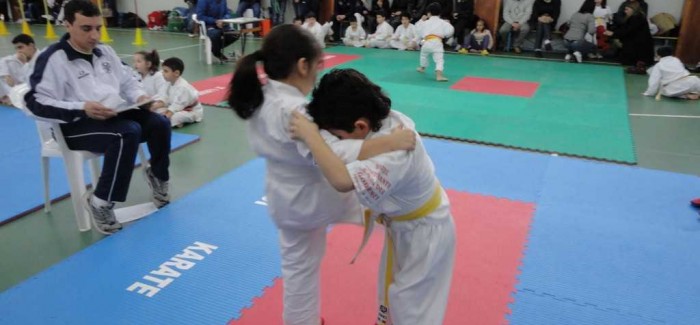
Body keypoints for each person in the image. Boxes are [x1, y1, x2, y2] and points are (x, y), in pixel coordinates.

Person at [226, 24, 416, 325]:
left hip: (283, 199)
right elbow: (334, 155)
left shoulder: (261, 95)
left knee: (299, 271)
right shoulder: (294, 110)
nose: (317, 74)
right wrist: (391, 142)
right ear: (303, 66)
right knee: (387, 195)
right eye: (318, 66)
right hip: (311, 199)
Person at [289, 68, 456, 325]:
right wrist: (316, 136)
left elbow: (342, 180)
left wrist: (311, 136)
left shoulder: (398, 151)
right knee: (391, 300)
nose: (334, 142)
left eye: (337, 137)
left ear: (360, 126)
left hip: (426, 235)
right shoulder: (372, 124)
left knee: (412, 310)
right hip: (402, 227)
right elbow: (313, 128)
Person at [24, 0, 172, 234]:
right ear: (68, 25)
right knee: (127, 132)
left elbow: (128, 81)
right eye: (86, 29)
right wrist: (82, 107)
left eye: (98, 28)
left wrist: (141, 97)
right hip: (74, 126)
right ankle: (100, 202)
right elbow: (35, 103)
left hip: (112, 115)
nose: (94, 36)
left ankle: (158, 175)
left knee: (160, 123)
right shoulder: (53, 58)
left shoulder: (106, 52)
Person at [150, 57, 204, 127]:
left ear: (176, 73)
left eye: (166, 71)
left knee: (175, 118)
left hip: (191, 111)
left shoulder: (183, 87)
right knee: (156, 111)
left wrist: (166, 117)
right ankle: (174, 122)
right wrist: (154, 107)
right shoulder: (168, 82)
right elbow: (164, 97)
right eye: (163, 70)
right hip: (174, 107)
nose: (162, 73)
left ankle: (178, 122)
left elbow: (177, 105)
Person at [603, 1, 653, 73]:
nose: (625, 11)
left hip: (639, 44)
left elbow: (627, 30)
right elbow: (625, 29)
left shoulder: (637, 18)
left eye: (627, 9)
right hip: (637, 42)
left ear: (633, 9)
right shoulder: (636, 17)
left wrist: (613, 34)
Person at [415, 2, 454, 82]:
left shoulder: (425, 22)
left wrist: (421, 20)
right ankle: (439, 75)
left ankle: (422, 68)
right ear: (440, 13)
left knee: (423, 55)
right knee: (439, 59)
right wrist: (446, 34)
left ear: (429, 13)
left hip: (426, 42)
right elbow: (450, 31)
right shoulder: (443, 22)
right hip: (437, 42)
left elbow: (418, 29)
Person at [0, 34, 39, 105]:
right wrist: (6, 75)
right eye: (16, 48)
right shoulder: (19, 56)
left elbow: (29, 80)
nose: (18, 51)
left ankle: (11, 99)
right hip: (18, 89)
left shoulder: (42, 58)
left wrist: (25, 63)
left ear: (31, 46)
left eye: (20, 47)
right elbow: (3, 60)